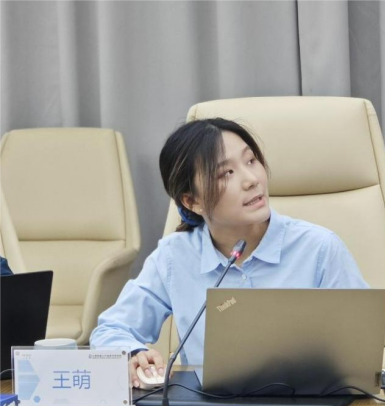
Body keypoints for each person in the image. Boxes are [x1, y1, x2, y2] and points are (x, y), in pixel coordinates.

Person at [90, 118, 368, 388]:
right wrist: (134, 354)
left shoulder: (319, 248)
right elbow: (110, 330)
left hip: (312, 405)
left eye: (251, 161)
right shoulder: (175, 257)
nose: (251, 180)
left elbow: (363, 341)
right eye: (226, 173)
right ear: (192, 201)